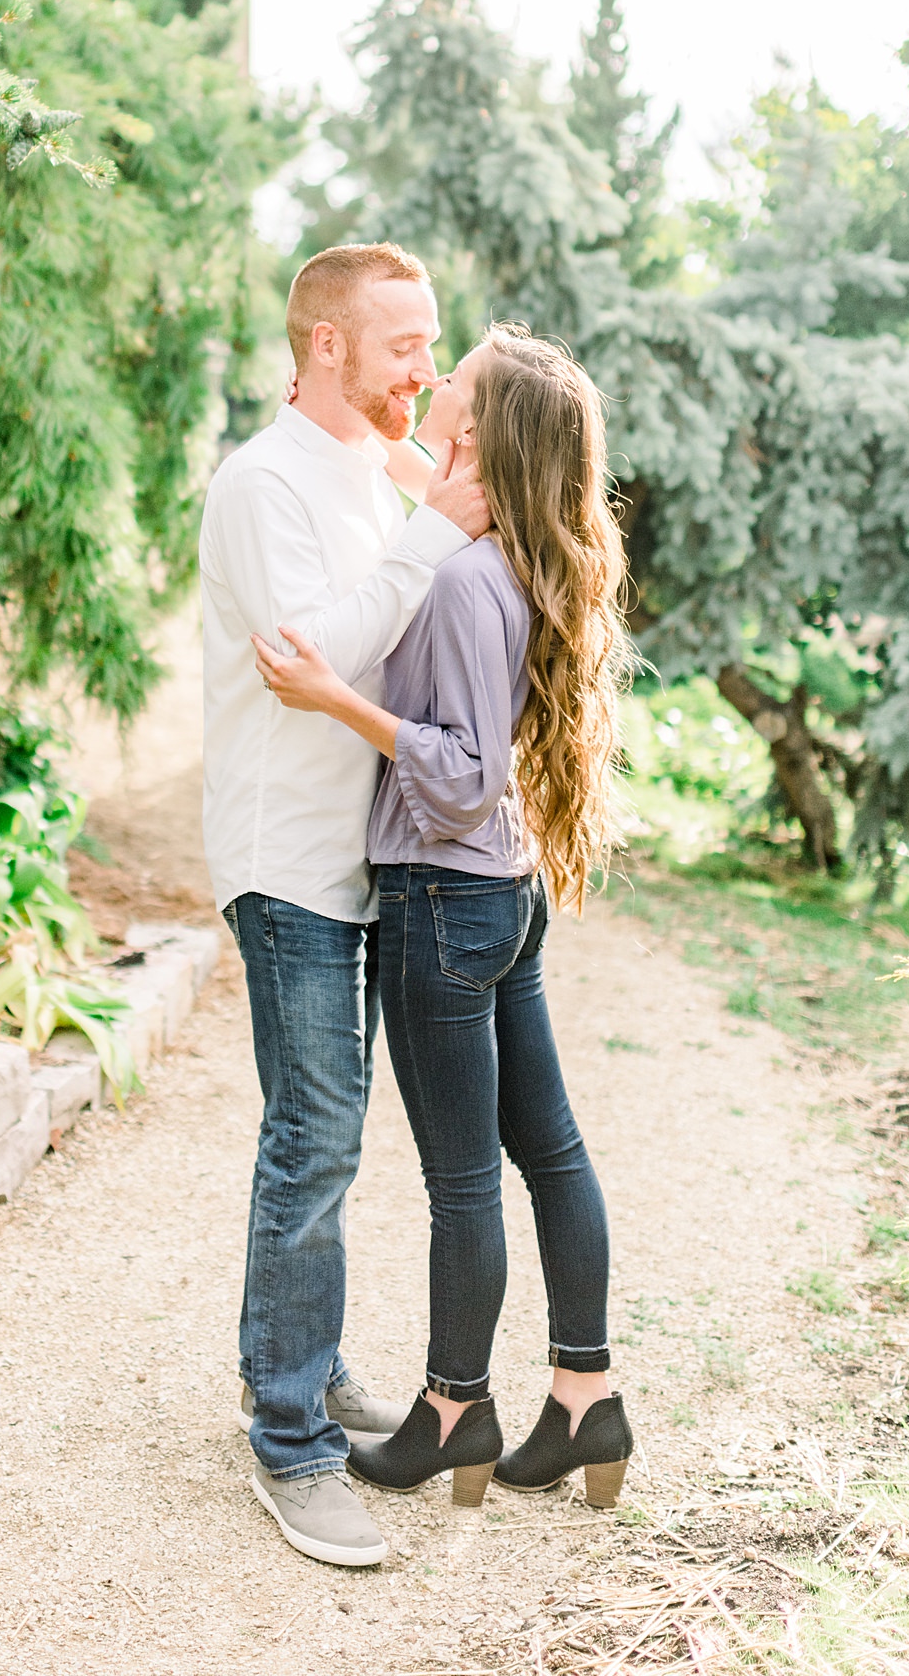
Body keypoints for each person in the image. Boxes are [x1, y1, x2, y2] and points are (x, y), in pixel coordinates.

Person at [254, 325, 637, 1511]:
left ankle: (453, 1410)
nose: (429, 386)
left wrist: (332, 698)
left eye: (450, 383)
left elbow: (463, 774)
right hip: (504, 895)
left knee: (464, 1182)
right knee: (551, 1151)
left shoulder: (467, 579)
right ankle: (584, 1397)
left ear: (479, 429)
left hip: (442, 892)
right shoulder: (510, 551)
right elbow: (426, 482)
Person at [200, 242, 490, 1569]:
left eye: (428, 344)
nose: (418, 372)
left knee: (335, 1142)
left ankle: (302, 1370)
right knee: (311, 1139)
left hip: (370, 863)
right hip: (288, 865)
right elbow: (310, 655)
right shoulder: (262, 485)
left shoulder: (385, 472)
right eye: (397, 348)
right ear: (324, 345)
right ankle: (289, 1439)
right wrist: (434, 530)